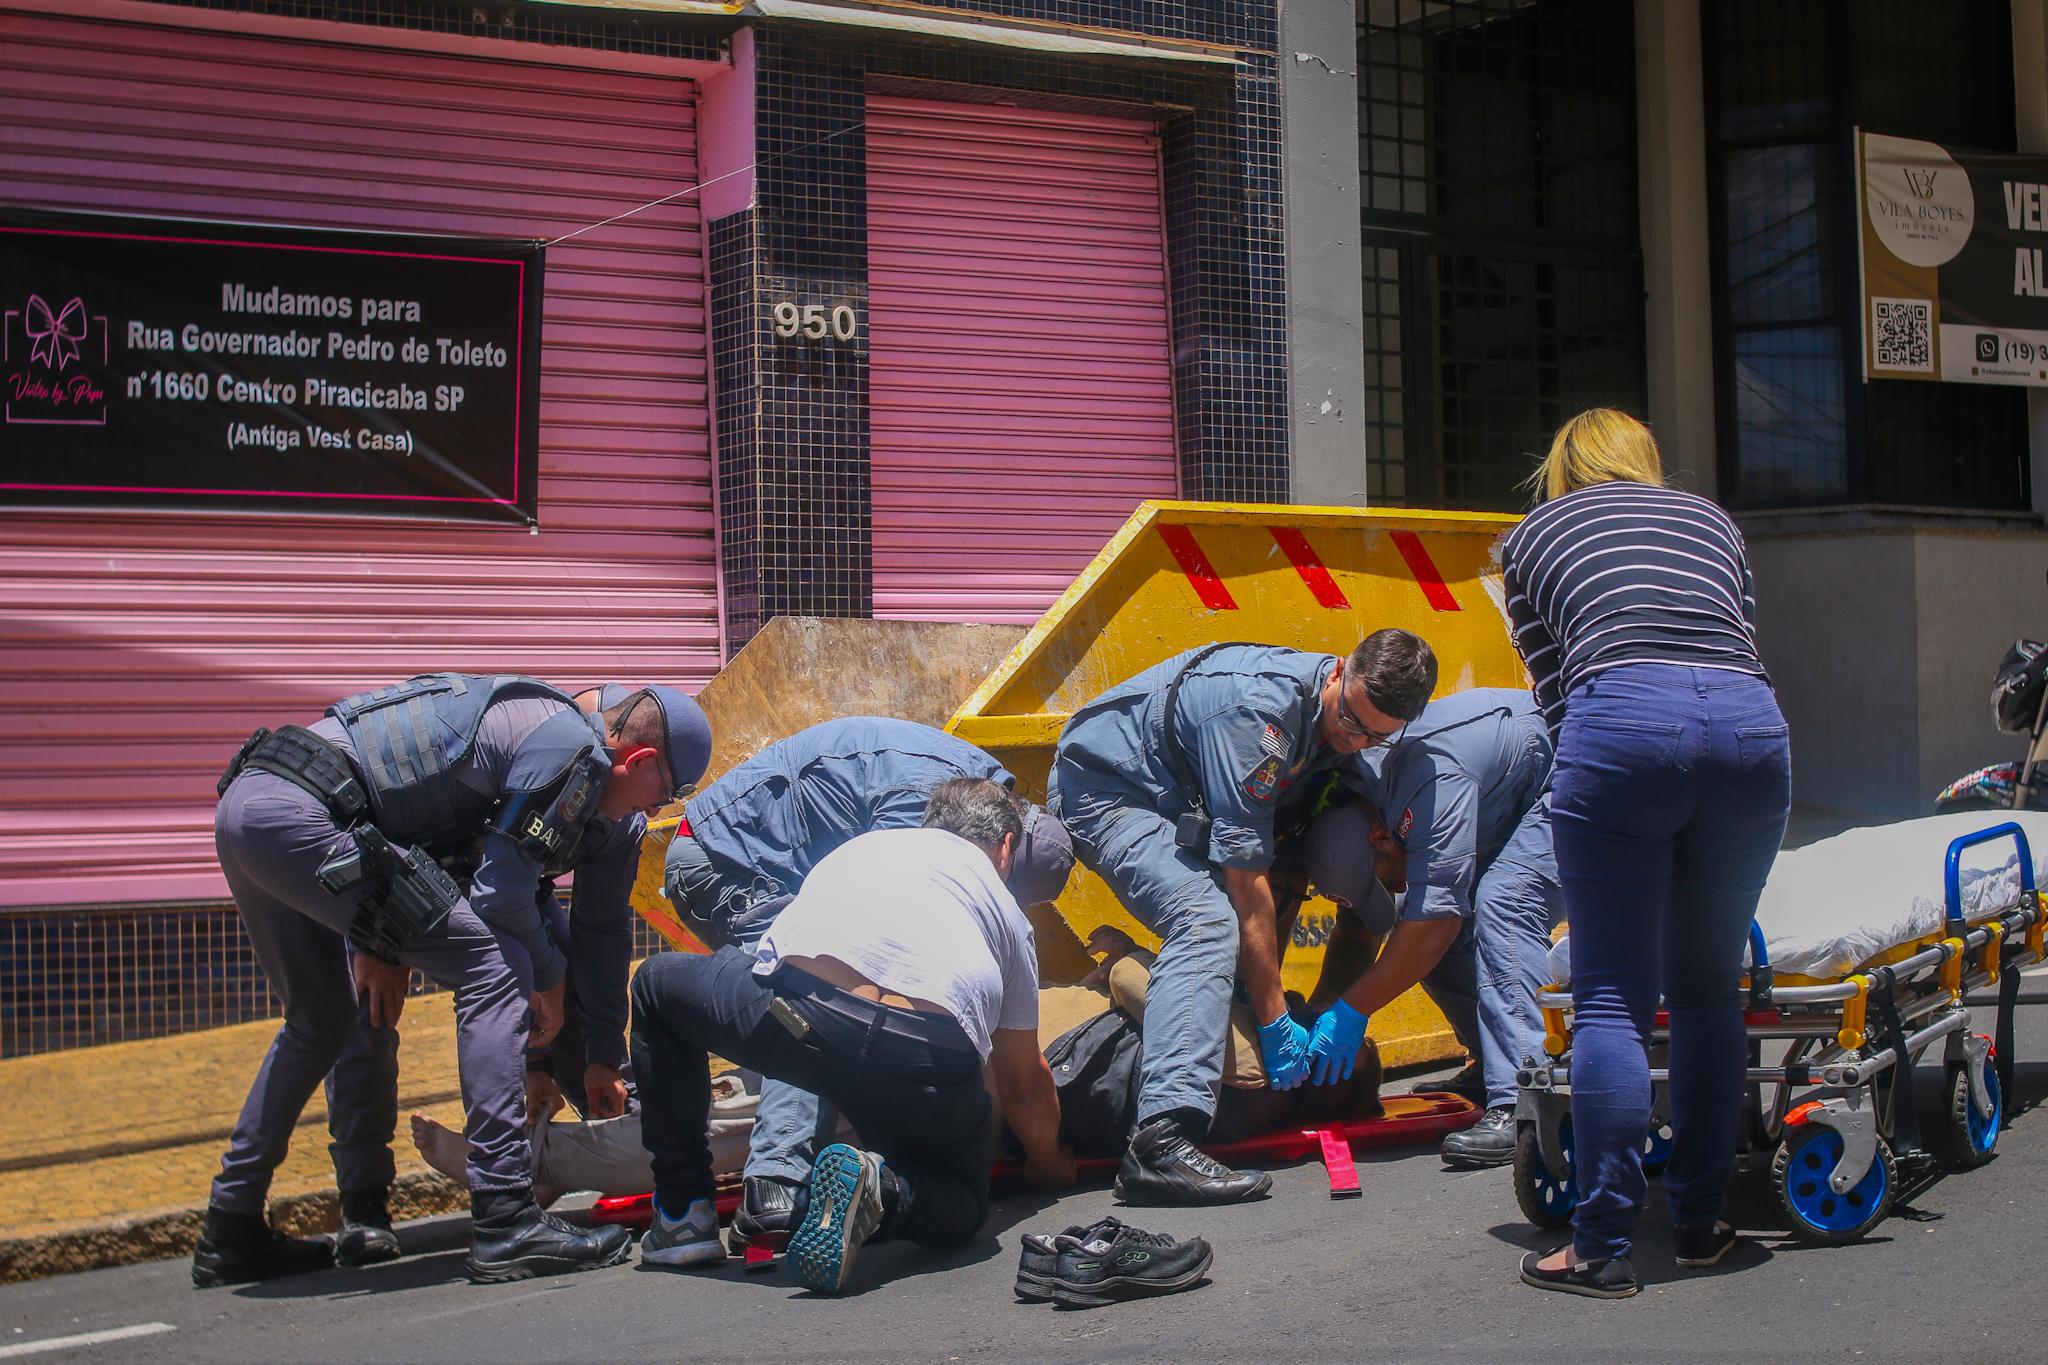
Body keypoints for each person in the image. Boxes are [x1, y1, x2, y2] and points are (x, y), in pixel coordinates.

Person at [195, 675, 710, 1287]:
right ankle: (503, 1216)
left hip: (251, 808)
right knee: (496, 968)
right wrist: (375, 939)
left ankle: (230, 1225)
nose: (659, 810)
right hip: (315, 819)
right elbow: (499, 895)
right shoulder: (571, 749)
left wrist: (595, 1055)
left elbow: (591, 932)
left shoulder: (574, 770)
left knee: (318, 1020)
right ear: (642, 758)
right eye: (667, 793)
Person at [1500, 409, 1789, 1298]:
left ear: (1563, 467)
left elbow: (1553, 691)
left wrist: (1613, 780)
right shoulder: (1712, 519)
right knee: (1707, 992)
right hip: (1751, 731)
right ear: (1645, 460)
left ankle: (1601, 1246)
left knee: (1615, 999)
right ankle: (1700, 1222)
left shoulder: (1530, 537)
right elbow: (1733, 637)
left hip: (1620, 724)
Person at [630, 778, 1075, 1294]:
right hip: (924, 1055)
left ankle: (683, 1216)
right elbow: (1021, 1082)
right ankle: (882, 1190)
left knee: (656, 989)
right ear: (1006, 847)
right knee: (961, 1204)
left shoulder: (863, 846)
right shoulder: (1006, 912)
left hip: (801, 1019)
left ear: (929, 823)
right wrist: (1049, 1164)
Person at [1046, 632, 1438, 1204]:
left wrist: (1327, 1006)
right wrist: (1276, 1020)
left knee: (1280, 872)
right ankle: (1160, 1142)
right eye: (1351, 720)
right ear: (1337, 672)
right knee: (1204, 917)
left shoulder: (1357, 725)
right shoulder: (1255, 714)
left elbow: (1282, 867)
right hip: (1110, 786)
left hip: (1184, 792)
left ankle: (1203, 1026)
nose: (1356, 741)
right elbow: (1244, 881)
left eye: (1376, 734)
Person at [1301, 688, 1561, 1167]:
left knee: (1502, 903)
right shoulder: (1361, 806)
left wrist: (1351, 1011)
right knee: (1423, 930)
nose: (1391, 887)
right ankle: (1492, 1065)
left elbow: (1435, 922)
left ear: (1382, 838)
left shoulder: (1426, 785)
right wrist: (1323, 1009)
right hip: (1499, 794)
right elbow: (1364, 929)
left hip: (1567, 768)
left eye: (1385, 879)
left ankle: (1525, 1099)